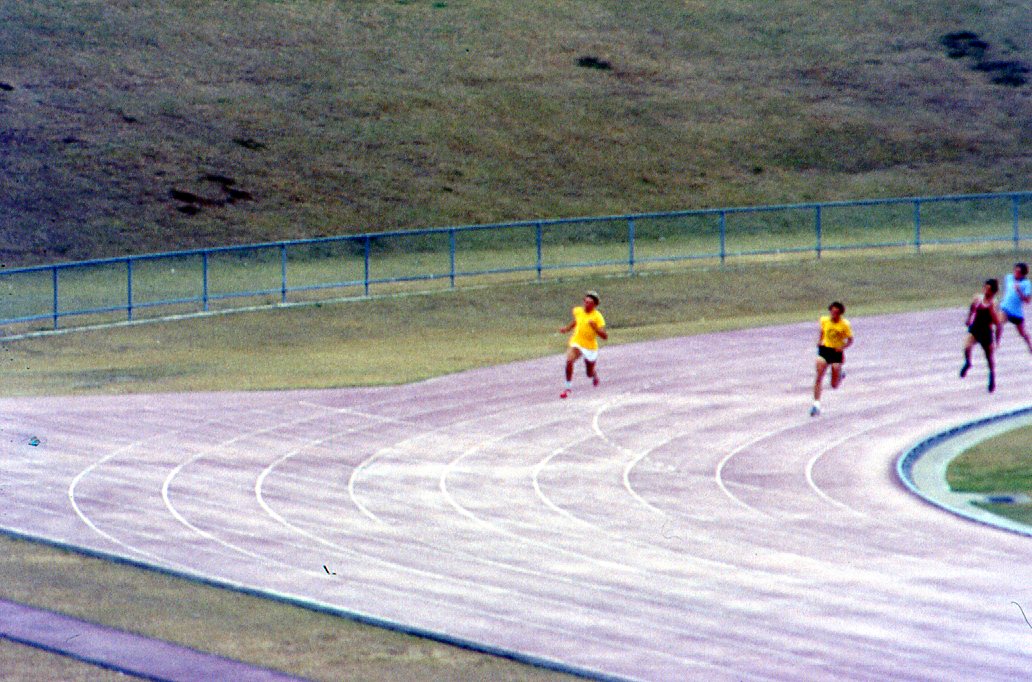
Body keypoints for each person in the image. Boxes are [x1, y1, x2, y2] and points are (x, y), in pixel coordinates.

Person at [559, 291, 607, 399]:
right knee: (569, 360)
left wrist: (595, 328)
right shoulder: (578, 311)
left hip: (590, 347)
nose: (586, 304)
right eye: (585, 302)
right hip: (577, 342)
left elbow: (605, 336)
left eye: (589, 303)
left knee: (589, 373)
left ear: (594, 305)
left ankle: (594, 374)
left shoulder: (597, 317)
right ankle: (568, 387)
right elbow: (576, 321)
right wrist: (567, 329)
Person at [960, 279, 1003, 393]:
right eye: (985, 288)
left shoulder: (993, 304)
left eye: (988, 289)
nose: (986, 291)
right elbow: (972, 308)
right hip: (975, 329)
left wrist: (997, 341)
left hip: (986, 332)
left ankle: (992, 376)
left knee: (989, 358)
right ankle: (968, 362)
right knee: (966, 347)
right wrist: (969, 319)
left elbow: (997, 324)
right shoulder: (977, 298)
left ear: (993, 292)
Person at [811, 301, 853, 417]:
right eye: (832, 311)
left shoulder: (845, 324)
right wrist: (820, 340)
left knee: (834, 385)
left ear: (840, 313)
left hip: (836, 352)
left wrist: (843, 347)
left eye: (836, 313)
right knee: (819, 376)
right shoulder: (824, 320)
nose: (833, 314)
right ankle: (816, 404)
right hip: (825, 350)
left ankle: (839, 375)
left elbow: (850, 340)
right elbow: (822, 331)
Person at [999, 262, 1032, 354]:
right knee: (999, 323)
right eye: (1015, 270)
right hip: (1005, 308)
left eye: (1018, 272)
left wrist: (1019, 291)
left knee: (1022, 333)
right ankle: (996, 343)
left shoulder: (1026, 284)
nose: (1015, 273)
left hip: (1016, 312)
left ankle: (1030, 346)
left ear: (1023, 274)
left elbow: (1028, 300)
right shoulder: (1009, 277)